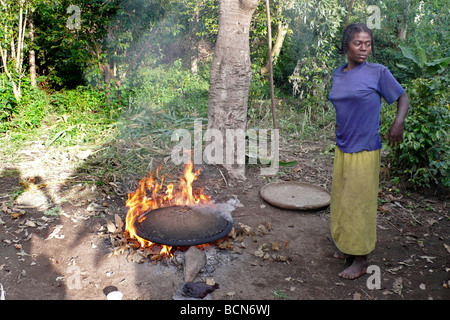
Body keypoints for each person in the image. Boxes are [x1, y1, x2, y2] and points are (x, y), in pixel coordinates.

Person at [328, 23, 409, 280]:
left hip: (364, 148)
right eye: (358, 43)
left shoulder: (378, 72)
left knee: (359, 203)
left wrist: (398, 123)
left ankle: (361, 259)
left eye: (368, 43)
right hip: (343, 146)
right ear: (346, 46)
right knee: (342, 199)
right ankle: (346, 245)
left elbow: (402, 97)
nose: (364, 48)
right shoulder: (338, 73)